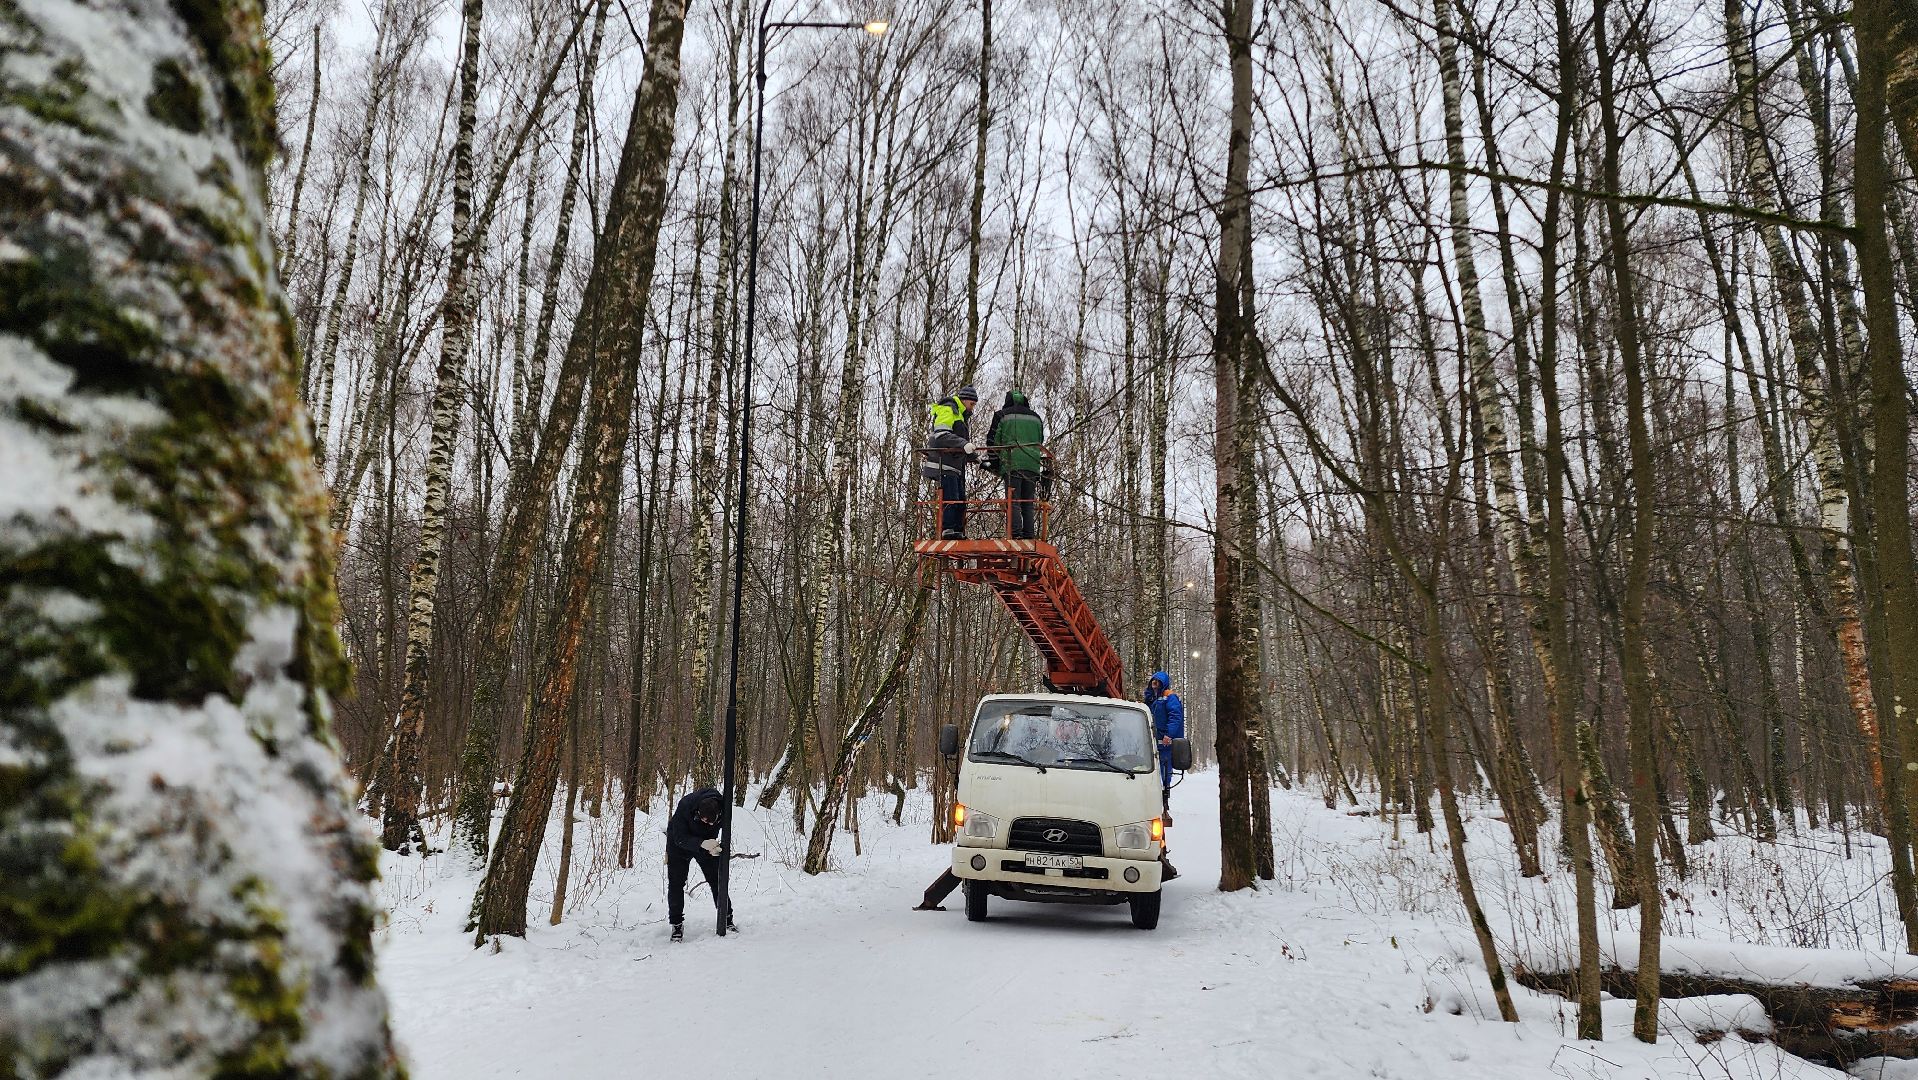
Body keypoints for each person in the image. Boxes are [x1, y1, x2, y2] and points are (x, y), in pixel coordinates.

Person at [665, 787, 735, 940]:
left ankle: (726, 918)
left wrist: (717, 847)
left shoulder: (724, 807)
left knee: (717, 879)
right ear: (697, 812)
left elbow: (726, 831)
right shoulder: (686, 805)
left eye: (711, 822)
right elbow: (679, 837)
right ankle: (676, 924)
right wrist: (701, 843)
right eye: (703, 820)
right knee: (676, 883)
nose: (707, 824)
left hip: (707, 845)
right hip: (679, 844)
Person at [984, 389, 1046, 539]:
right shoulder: (1036, 418)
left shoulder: (1002, 415)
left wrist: (995, 463)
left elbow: (992, 442)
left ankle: (1016, 535)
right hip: (1032, 464)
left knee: (1013, 501)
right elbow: (1041, 439)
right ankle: (1029, 535)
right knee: (1028, 502)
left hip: (1012, 463)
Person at [927, 385, 979, 538]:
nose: (972, 408)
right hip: (945, 463)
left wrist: (976, 458)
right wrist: (964, 444)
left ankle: (957, 530)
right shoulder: (949, 409)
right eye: (972, 404)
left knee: (961, 498)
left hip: (955, 465)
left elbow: (960, 444)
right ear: (964, 400)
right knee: (951, 497)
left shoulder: (960, 415)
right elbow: (941, 435)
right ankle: (948, 529)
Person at [1145, 671, 1184, 822]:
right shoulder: (1150, 698)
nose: (1155, 684)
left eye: (1158, 682)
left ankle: (1164, 803)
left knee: (1164, 774)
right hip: (1151, 742)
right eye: (1153, 682)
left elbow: (1175, 716)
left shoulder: (1169, 697)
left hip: (1165, 744)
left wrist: (1169, 734)